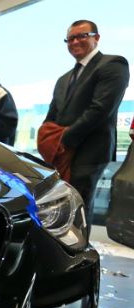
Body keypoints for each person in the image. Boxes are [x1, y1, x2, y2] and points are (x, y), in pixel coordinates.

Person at [43, 19, 129, 234]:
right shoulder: (63, 79)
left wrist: (64, 139)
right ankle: (59, 249)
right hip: (61, 153)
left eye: (81, 36)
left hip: (90, 150)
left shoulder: (113, 64)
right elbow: (52, 116)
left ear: (96, 38)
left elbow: (100, 109)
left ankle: (77, 251)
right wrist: (47, 139)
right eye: (70, 39)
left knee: (78, 204)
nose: (75, 42)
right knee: (59, 205)